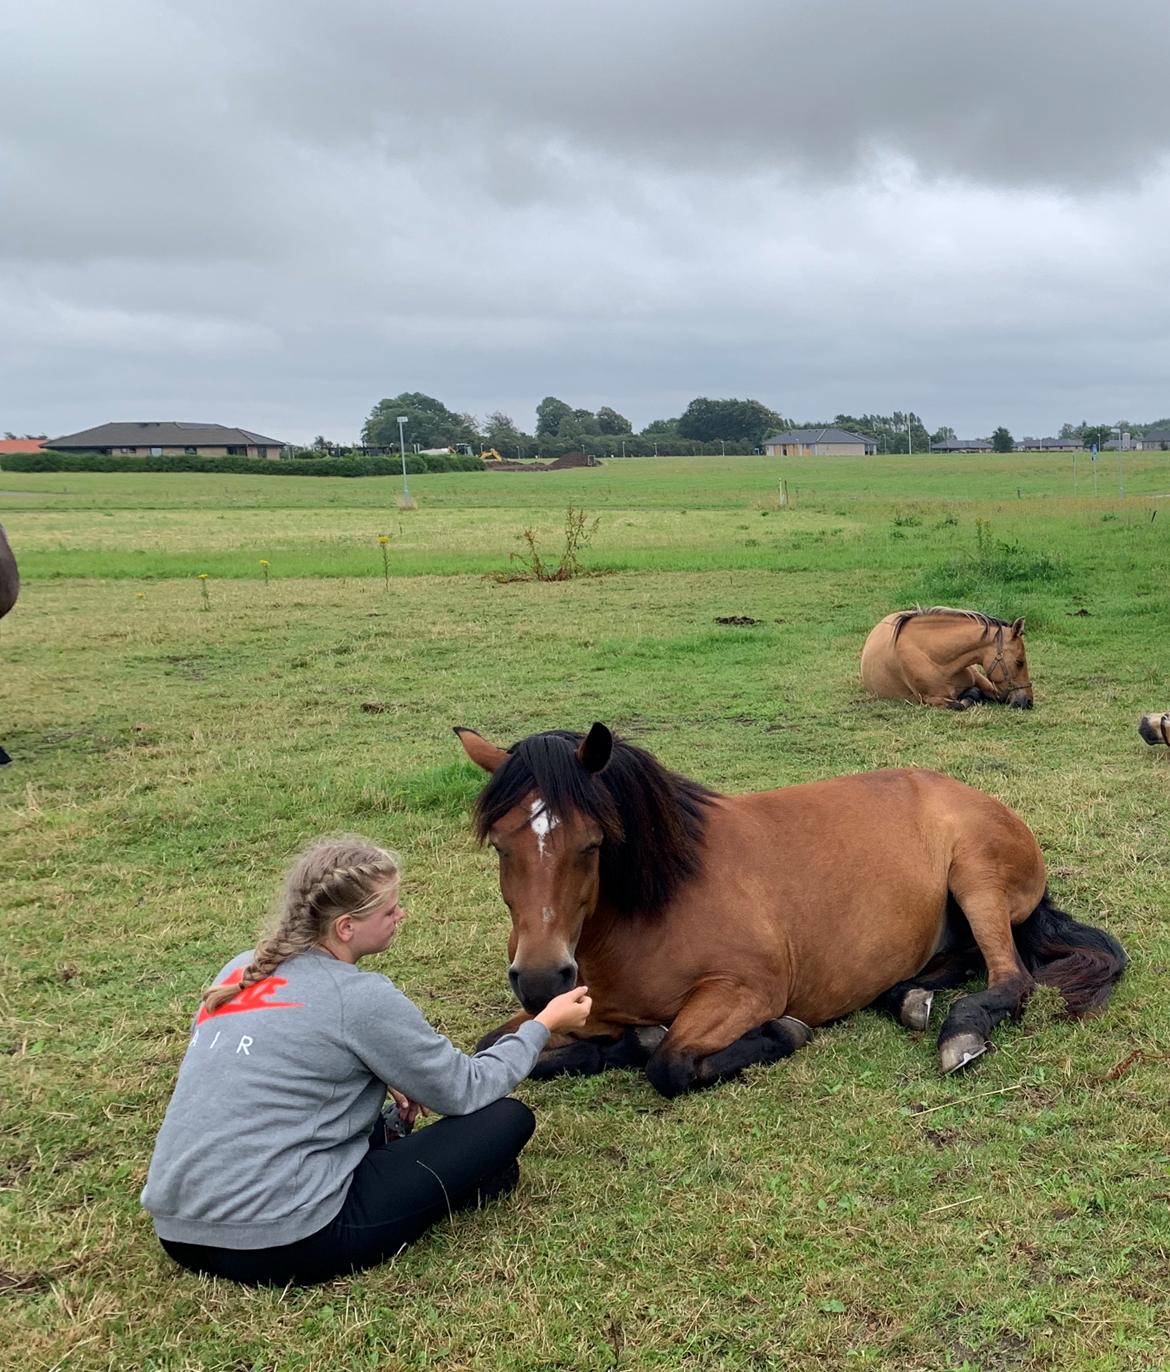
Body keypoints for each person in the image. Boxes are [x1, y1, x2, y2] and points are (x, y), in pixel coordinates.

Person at [140, 834, 591, 1285]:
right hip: (284, 1242)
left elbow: (282, 1067)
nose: (401, 915)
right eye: (389, 910)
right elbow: (466, 1089)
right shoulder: (358, 997)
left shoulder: (239, 969)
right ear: (345, 928)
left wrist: (379, 1072)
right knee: (505, 1121)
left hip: (179, 1235)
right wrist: (543, 1024)